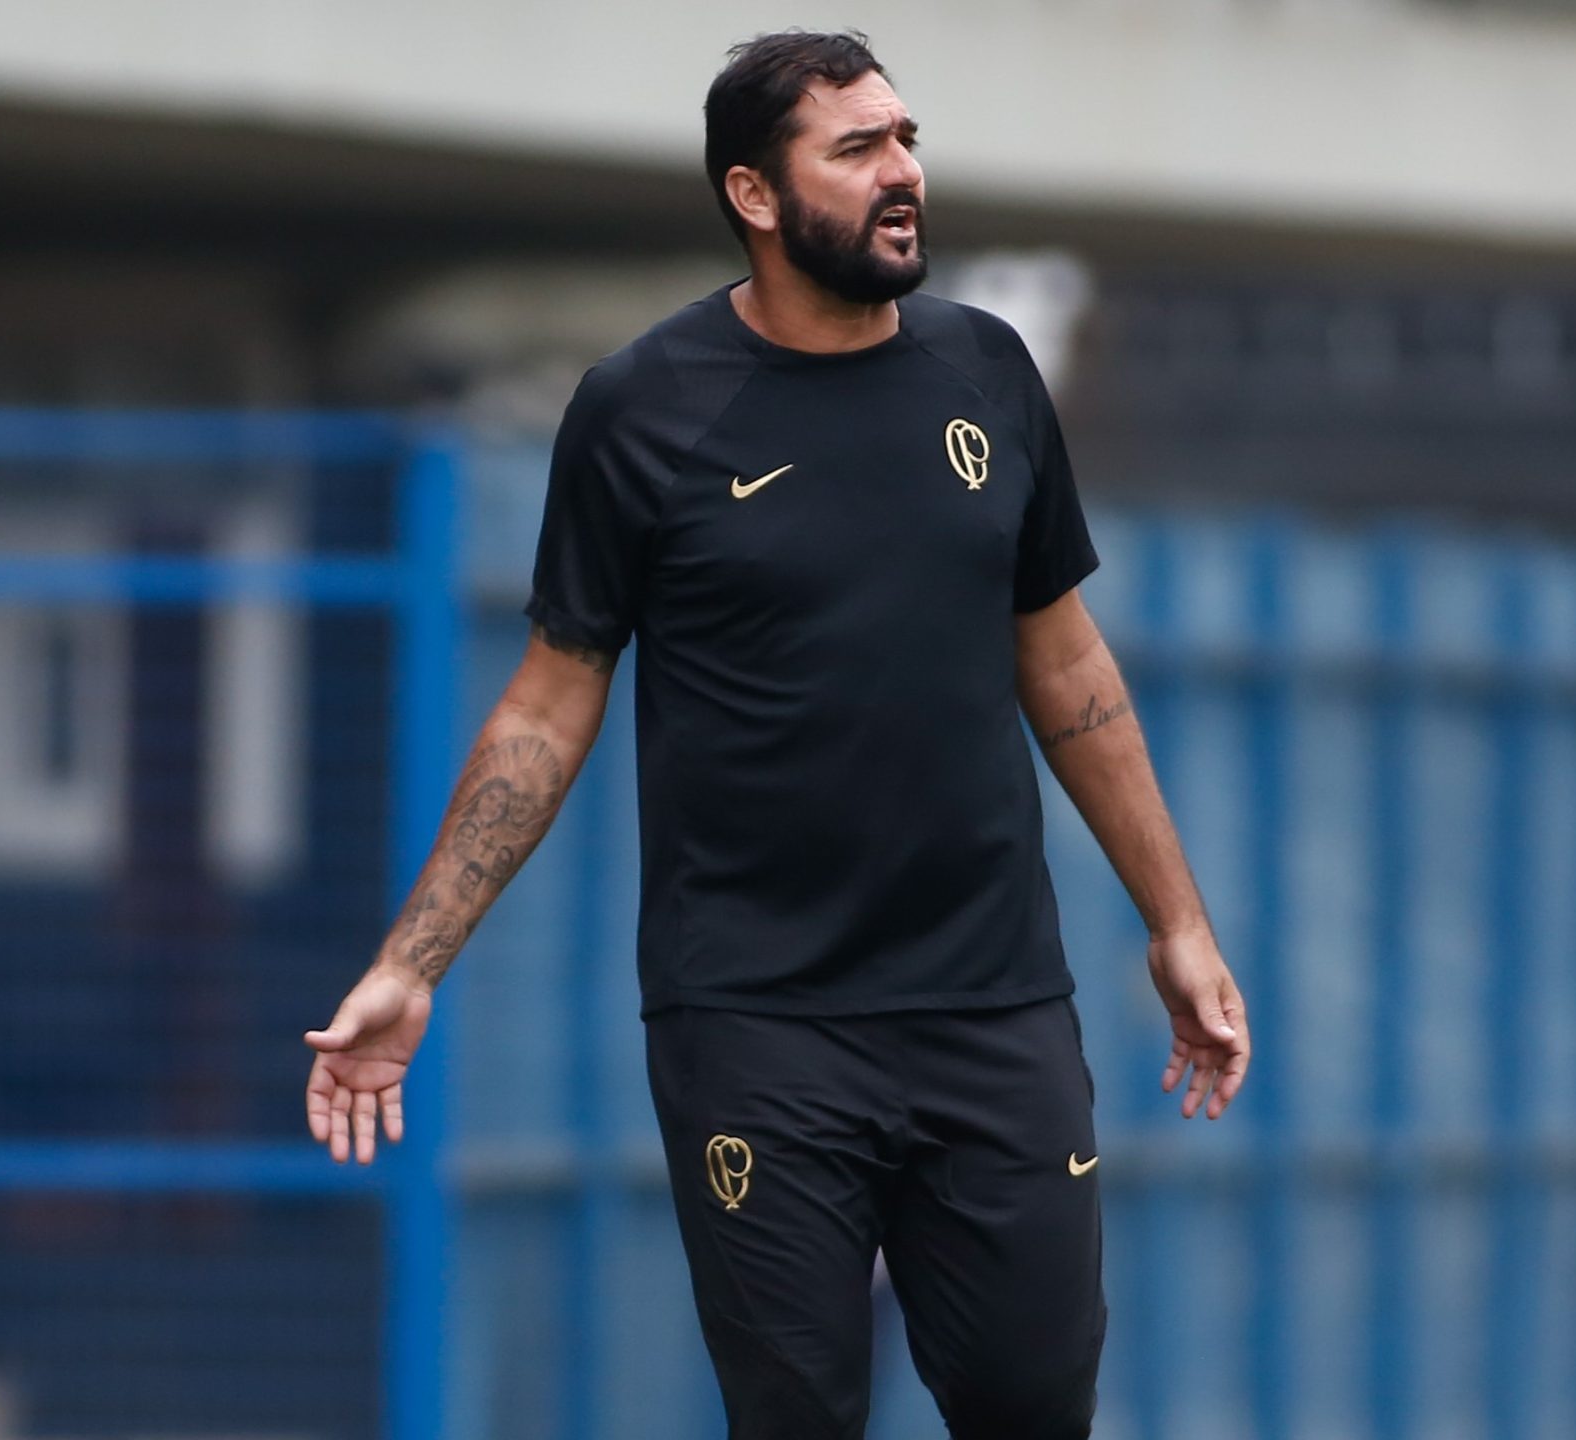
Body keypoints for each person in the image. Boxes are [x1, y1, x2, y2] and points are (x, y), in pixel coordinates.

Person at [300, 29, 1250, 1439]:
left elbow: (1065, 665)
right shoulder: (643, 410)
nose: (904, 173)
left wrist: (1175, 921)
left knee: (1031, 1402)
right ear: (755, 192)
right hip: (755, 1018)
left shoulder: (985, 374)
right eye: (858, 149)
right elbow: (550, 706)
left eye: (907, 139)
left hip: (994, 1006)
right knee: (796, 1411)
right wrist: (412, 960)